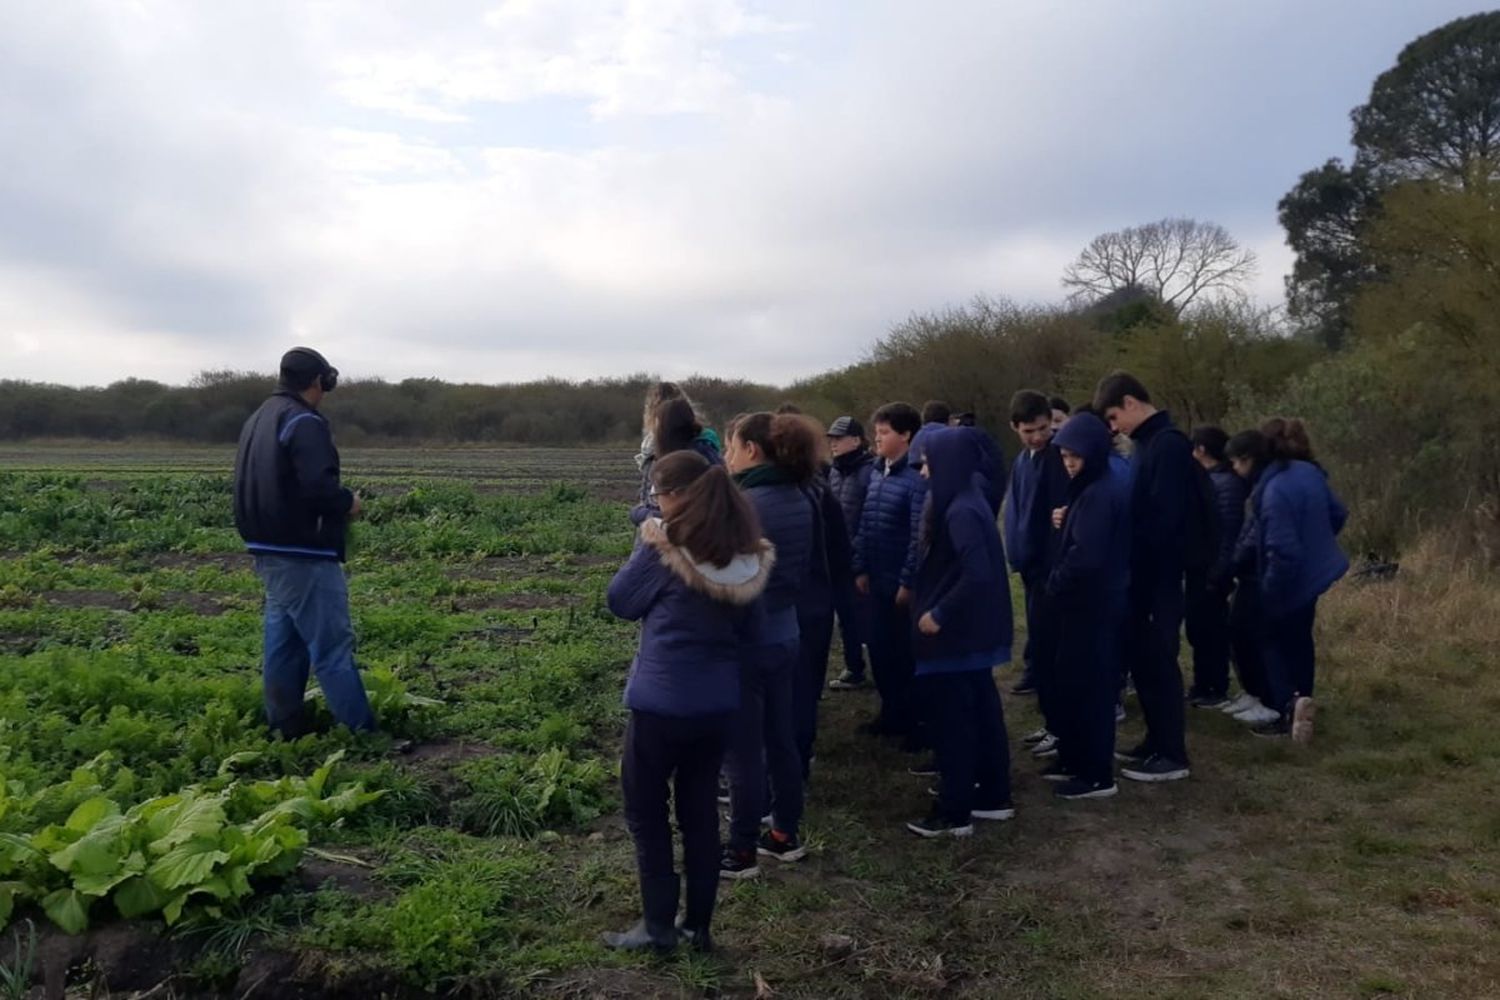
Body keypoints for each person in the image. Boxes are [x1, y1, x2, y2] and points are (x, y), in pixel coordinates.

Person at [603, 451, 774, 953]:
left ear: (676, 497)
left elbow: (620, 602)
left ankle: (657, 928)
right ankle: (698, 927)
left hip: (660, 706)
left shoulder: (665, 550)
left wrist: (646, 543)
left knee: (647, 813)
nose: (655, 502)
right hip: (718, 706)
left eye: (657, 494)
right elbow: (754, 633)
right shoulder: (747, 553)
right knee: (699, 813)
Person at [233, 347, 375, 737]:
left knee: (285, 644)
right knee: (331, 647)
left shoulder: (258, 419)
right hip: (304, 551)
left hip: (268, 548)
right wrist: (349, 503)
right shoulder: (304, 421)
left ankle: (286, 728)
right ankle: (363, 735)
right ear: (319, 381)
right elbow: (317, 487)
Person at [720, 412, 821, 878]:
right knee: (782, 739)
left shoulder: (748, 502)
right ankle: (784, 834)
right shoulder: (799, 495)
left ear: (752, 451)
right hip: (787, 632)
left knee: (744, 749)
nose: (726, 456)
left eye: (732, 447)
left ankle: (740, 850)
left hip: (749, 639)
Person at [907, 428, 1016, 837]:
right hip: (974, 636)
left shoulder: (961, 511)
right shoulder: (967, 499)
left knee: (953, 722)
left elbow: (978, 574)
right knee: (983, 713)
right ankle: (992, 794)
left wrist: (939, 612)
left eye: (928, 463)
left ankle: (954, 812)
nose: (923, 473)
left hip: (957, 636)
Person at [1095, 372, 1194, 783]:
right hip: (1140, 577)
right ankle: (1155, 740)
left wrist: (1147, 573)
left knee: (1159, 665)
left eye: (1116, 416)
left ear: (1132, 403)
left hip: (1158, 579)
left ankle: (1172, 753)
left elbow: (1167, 520)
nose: (1114, 427)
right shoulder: (1145, 445)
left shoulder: (1167, 445)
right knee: (1144, 664)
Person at [1044, 412, 1132, 799]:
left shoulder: (1099, 490)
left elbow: (1088, 556)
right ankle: (1077, 759)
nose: (1069, 463)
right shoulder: (1089, 486)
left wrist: (1056, 582)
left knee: (1093, 688)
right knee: (1075, 682)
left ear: (1093, 452)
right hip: (1087, 603)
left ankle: (1096, 774)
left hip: (1094, 604)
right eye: (1064, 456)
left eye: (1075, 456)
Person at [1246, 419, 1349, 742]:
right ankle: (1304, 697)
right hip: (1314, 575)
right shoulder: (1310, 473)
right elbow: (1339, 513)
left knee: (1269, 638)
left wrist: (1269, 592)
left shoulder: (1274, 489)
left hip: (1291, 576)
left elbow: (1283, 551)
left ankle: (1285, 708)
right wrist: (1317, 540)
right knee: (1300, 639)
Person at [851, 403, 928, 746]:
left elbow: (916, 536)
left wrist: (907, 581)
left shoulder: (915, 480)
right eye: (877, 432)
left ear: (906, 435)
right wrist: (861, 566)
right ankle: (890, 713)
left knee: (904, 655)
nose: (877, 439)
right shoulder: (876, 473)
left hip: (899, 583)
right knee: (880, 651)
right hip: (876, 579)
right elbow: (866, 524)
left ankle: (914, 721)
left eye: (884, 433)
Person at [1004, 391, 1068, 710]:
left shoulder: (1056, 457)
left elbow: (1059, 519)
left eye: (1043, 428)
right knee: (1038, 635)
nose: (1038, 437)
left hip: (1049, 567)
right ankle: (1048, 705)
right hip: (1028, 564)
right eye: (1029, 431)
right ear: (1015, 427)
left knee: (1051, 641)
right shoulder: (1020, 461)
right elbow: (1017, 511)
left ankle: (1057, 715)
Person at [1185, 427, 1248, 709]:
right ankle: (1202, 684)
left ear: (1200, 450)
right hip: (1202, 568)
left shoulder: (1225, 485)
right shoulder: (1211, 481)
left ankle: (1215, 686)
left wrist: (1218, 573)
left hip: (1214, 572)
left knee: (1211, 631)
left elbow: (1227, 535)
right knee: (1199, 629)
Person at [1222, 430, 1279, 724]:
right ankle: (1253, 692)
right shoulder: (1261, 484)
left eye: (1236, 462)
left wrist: (1232, 564)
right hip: (1251, 573)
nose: (1234, 469)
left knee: (1253, 636)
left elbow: (1254, 534)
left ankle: (1269, 699)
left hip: (1260, 575)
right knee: (1239, 633)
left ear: (1249, 459)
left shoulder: (1267, 487)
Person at [826, 417, 875, 690]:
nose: (833, 443)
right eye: (831, 438)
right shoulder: (834, 471)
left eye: (839, 438)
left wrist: (859, 562)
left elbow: (868, 520)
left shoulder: (869, 471)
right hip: (837, 558)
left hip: (860, 560)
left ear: (856, 440)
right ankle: (854, 667)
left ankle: (876, 670)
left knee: (865, 618)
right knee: (845, 617)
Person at [632, 397, 721, 524]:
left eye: (657, 425)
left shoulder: (686, 462)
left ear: (665, 429)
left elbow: (676, 510)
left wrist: (640, 514)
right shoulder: (706, 452)